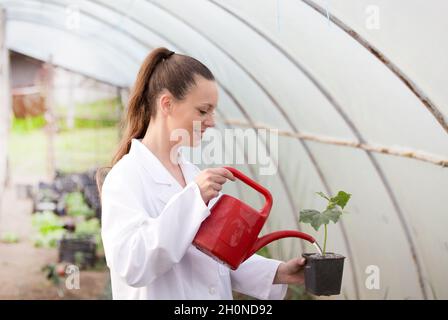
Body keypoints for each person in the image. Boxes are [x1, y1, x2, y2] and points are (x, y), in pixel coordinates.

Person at [99, 47, 306, 300]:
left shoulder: (191, 173)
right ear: (167, 104)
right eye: (202, 110)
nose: (211, 121)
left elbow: (218, 254)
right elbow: (133, 264)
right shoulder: (125, 178)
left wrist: (280, 272)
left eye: (212, 111)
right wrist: (193, 199)